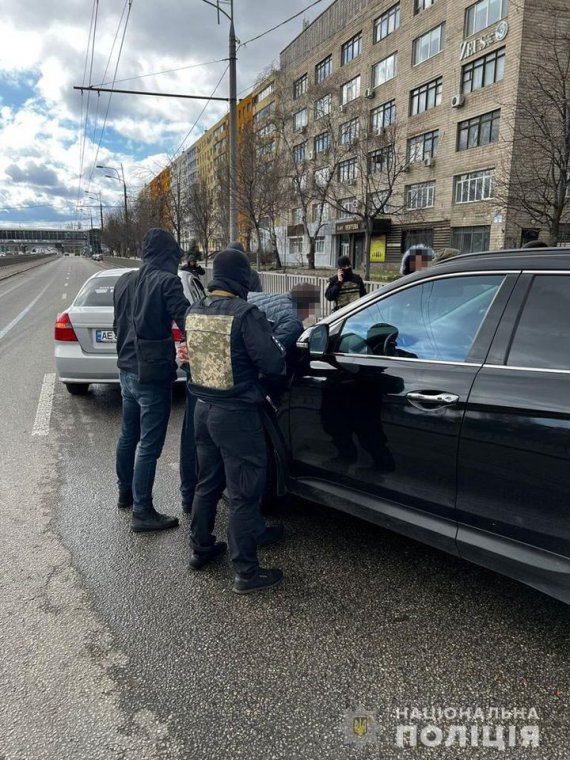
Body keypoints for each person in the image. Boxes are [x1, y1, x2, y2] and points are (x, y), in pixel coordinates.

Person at [185, 246, 286, 594]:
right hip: (236, 415)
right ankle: (245, 570)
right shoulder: (245, 314)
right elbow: (273, 364)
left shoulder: (194, 310)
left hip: (202, 410)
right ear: (242, 278)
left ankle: (201, 549)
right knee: (244, 491)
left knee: (208, 483)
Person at [113, 228, 189, 532]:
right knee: (148, 445)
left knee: (128, 435)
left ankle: (125, 495)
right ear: (170, 255)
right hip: (152, 376)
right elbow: (189, 323)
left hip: (126, 371)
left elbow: (117, 324)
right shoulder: (167, 281)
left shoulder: (123, 281)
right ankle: (142, 512)